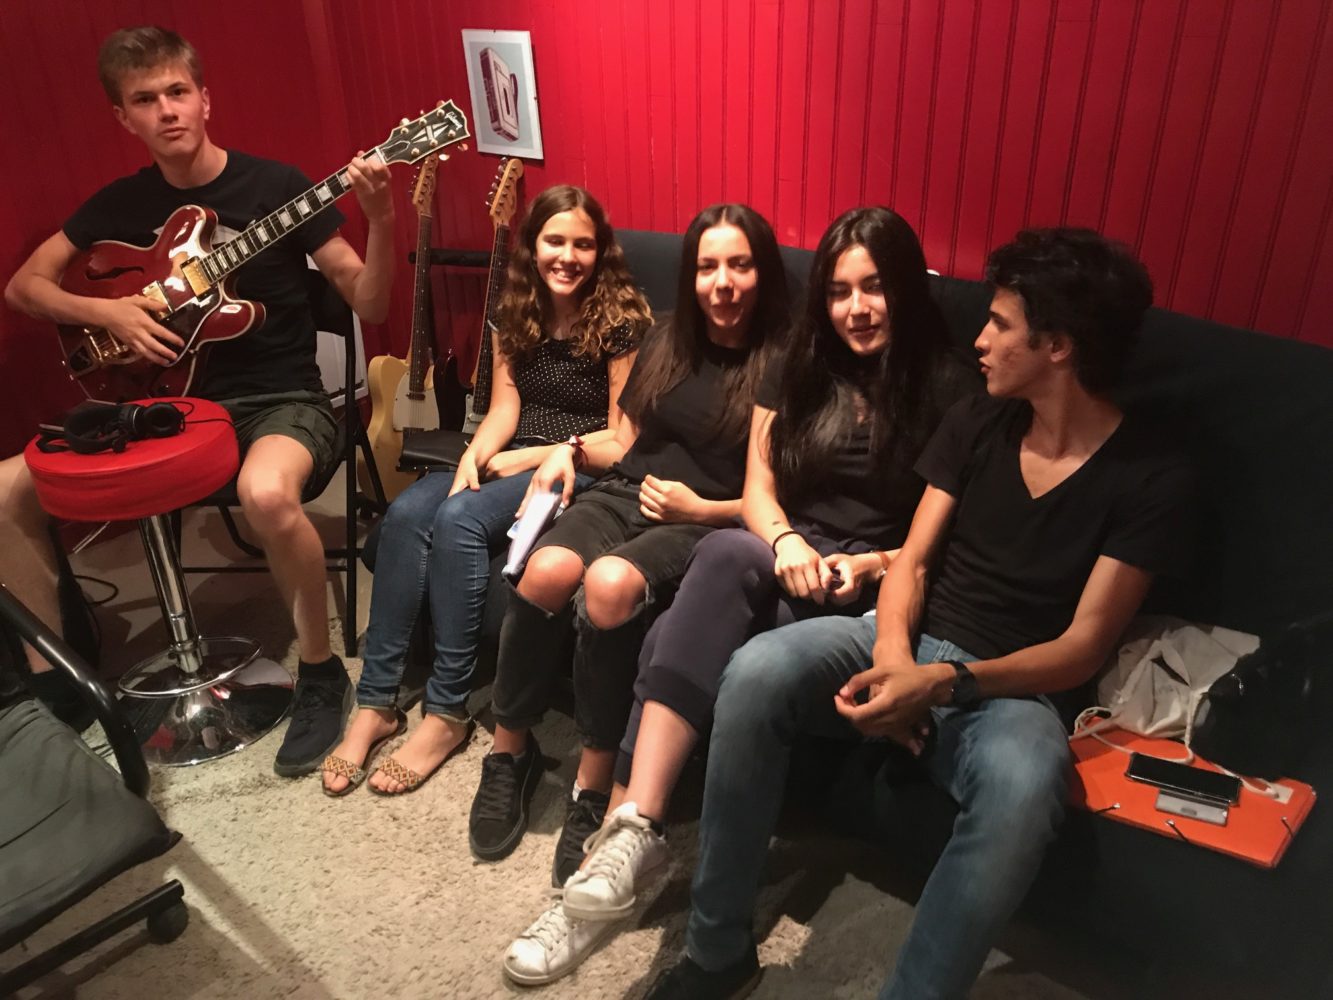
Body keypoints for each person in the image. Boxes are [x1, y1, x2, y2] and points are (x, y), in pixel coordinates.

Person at [644, 228, 1195, 1000]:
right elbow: (912, 562)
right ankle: (715, 952)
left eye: (998, 324)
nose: (980, 340)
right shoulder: (978, 420)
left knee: (1025, 787)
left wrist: (939, 685)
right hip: (903, 637)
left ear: (1057, 345)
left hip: (1011, 687)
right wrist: (895, 661)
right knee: (756, 671)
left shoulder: (1150, 474)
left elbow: (1082, 646)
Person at [519, 208, 979, 976]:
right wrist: (787, 541)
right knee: (725, 552)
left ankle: (618, 845)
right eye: (838, 291)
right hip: (787, 552)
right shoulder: (799, 364)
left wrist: (872, 564)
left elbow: (949, 536)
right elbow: (761, 493)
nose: (856, 309)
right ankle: (631, 833)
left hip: (875, 582)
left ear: (904, 287)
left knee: (671, 635)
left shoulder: (951, 388)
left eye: (873, 288)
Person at [3, 26, 396, 778]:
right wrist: (111, 313)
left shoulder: (278, 186)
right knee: (3, 491)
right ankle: (57, 689)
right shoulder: (120, 204)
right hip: (166, 409)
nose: (167, 110)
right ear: (124, 117)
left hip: (281, 401)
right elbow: (25, 286)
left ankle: (320, 673)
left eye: (178, 92)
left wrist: (380, 219)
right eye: (145, 99)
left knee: (265, 493)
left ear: (205, 99)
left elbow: (370, 301)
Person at [478, 204, 791, 983]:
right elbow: (625, 439)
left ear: (762, 273)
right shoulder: (667, 337)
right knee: (544, 571)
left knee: (609, 585)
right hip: (624, 491)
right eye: (708, 267)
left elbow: (778, 497)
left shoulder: (782, 361)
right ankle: (508, 752)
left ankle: (592, 786)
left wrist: (700, 507)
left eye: (739, 265)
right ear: (691, 275)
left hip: (699, 518)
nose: (723, 283)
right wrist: (566, 452)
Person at [321, 185, 651, 796]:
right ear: (533, 245)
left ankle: (446, 711)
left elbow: (622, 438)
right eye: (555, 241)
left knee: (460, 520)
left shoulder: (620, 321)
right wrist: (474, 454)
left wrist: (537, 454)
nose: (567, 256)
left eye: (583, 244)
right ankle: (376, 701)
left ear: (601, 251)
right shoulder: (513, 310)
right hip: (511, 453)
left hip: (578, 465)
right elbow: (505, 407)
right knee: (408, 512)